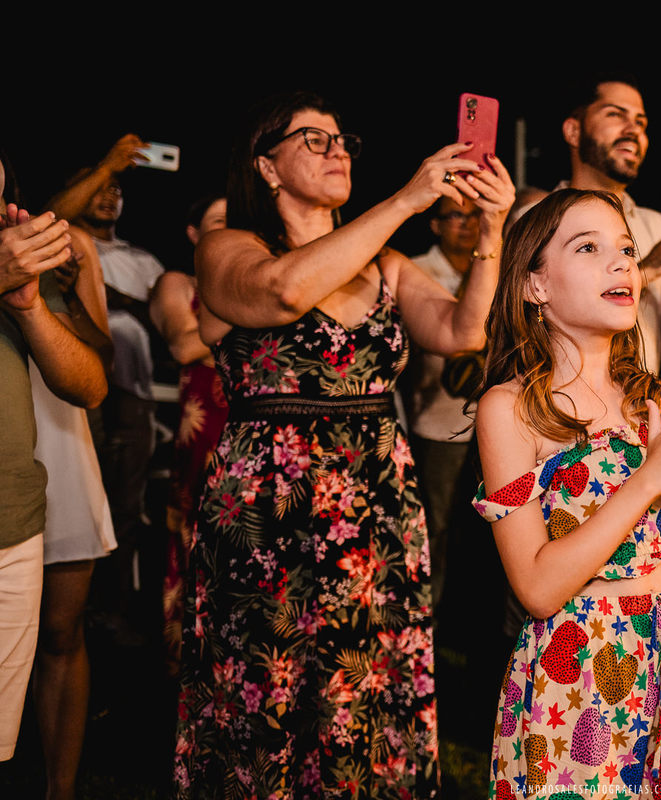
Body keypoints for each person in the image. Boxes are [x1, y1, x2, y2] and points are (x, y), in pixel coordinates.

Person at [173, 91, 514, 798]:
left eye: (343, 141)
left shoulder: (384, 265)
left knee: (363, 677)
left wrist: (493, 226)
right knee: (268, 680)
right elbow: (283, 293)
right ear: (266, 167)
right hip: (270, 504)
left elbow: (461, 331)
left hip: (373, 503)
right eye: (315, 139)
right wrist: (403, 200)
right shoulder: (229, 246)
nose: (338, 151)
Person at [472, 189, 661, 797]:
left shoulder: (655, 400)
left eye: (625, 250)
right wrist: (651, 477)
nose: (621, 264)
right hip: (578, 668)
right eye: (588, 248)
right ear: (535, 284)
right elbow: (537, 589)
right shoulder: (511, 409)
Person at [2, 150, 108, 764]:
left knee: (62, 633)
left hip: (21, 506)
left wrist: (34, 303)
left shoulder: (29, 273)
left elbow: (93, 380)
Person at [514, 74, 661, 373]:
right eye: (615, 114)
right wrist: (648, 269)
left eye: (641, 123)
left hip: (639, 408)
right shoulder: (532, 218)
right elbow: (511, 326)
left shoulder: (658, 227)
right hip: (554, 404)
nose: (633, 130)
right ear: (574, 131)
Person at [48, 134, 165, 633]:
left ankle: (111, 610)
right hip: (69, 397)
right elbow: (54, 214)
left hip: (132, 396)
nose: (109, 193)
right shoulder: (58, 243)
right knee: (70, 505)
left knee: (123, 503)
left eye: (117, 187)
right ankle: (69, 612)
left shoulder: (143, 261)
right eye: (97, 185)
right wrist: (108, 163)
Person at [148, 195, 228, 672]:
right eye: (219, 222)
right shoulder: (179, 283)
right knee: (194, 542)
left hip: (258, 425)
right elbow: (182, 344)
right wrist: (254, 301)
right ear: (194, 234)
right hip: (203, 433)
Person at [406, 196, 485, 611]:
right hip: (435, 421)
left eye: (475, 215)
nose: (467, 224)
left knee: (480, 536)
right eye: (456, 215)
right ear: (435, 224)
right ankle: (425, 625)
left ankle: (464, 630)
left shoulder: (493, 268)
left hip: (491, 423)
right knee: (432, 530)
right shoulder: (416, 271)